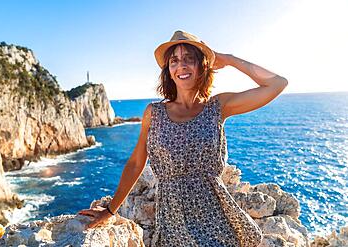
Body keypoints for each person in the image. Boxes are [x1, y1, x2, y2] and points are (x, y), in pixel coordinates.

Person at [78, 30, 288, 246]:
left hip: (216, 218)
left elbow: (277, 84)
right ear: (168, 70)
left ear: (202, 66)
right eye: (174, 61)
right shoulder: (154, 113)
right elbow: (135, 163)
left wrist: (228, 59)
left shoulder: (218, 107)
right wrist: (111, 210)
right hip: (174, 220)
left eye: (189, 59)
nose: (182, 66)